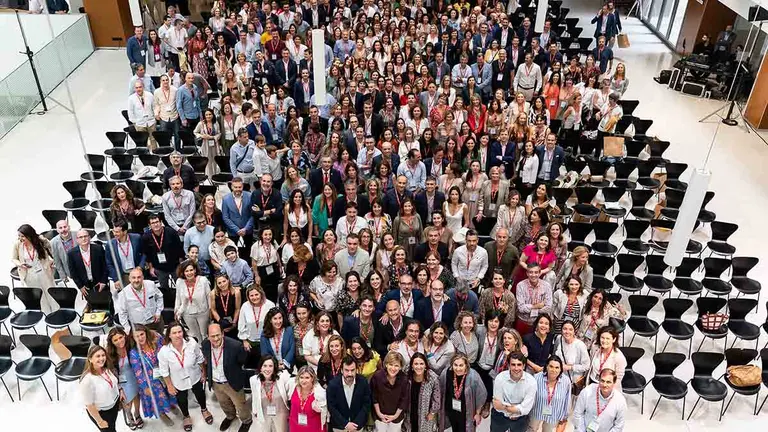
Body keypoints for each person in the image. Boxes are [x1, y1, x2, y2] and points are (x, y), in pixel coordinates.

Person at [158, 322, 212, 430]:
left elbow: (200, 358)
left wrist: (204, 373)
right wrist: (169, 385)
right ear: (169, 335)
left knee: (200, 394)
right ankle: (186, 416)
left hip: (194, 376)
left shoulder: (191, 342)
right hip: (178, 381)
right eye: (174, 333)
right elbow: (164, 371)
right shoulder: (164, 351)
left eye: (180, 331)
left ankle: (204, 409)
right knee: (182, 399)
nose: (178, 335)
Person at [202, 323, 253, 432]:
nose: (216, 339)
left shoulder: (235, 346)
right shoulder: (205, 345)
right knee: (223, 403)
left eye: (218, 335)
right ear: (207, 336)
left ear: (223, 333)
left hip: (232, 381)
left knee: (240, 404)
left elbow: (242, 361)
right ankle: (230, 416)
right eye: (212, 336)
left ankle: (246, 420)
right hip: (216, 382)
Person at [129, 324, 176, 425]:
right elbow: (138, 372)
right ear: (133, 338)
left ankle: (172, 405)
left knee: (169, 391)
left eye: (142, 334)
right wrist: (145, 387)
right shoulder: (134, 352)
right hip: (150, 380)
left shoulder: (156, 340)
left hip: (164, 373)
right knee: (158, 398)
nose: (140, 338)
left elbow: (166, 345)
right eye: (136, 336)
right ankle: (162, 414)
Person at [12, 224, 56, 313]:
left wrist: (53, 260)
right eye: (19, 236)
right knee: (39, 295)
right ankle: (47, 313)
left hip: (44, 271)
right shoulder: (18, 244)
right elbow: (14, 258)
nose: (20, 238)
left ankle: (56, 311)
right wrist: (20, 264)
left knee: (50, 292)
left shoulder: (39, 241)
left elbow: (51, 248)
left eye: (23, 236)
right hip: (29, 274)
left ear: (29, 235)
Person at [438, 353, 487, 432]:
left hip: (466, 412)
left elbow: (481, 395)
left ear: (466, 365)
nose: (458, 368)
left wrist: (478, 413)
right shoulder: (446, 373)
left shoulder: (473, 375)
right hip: (451, 410)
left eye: (461, 365)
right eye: (455, 365)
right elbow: (441, 391)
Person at [491, 351, 537, 432]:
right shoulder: (500, 378)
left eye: (519, 364)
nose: (516, 368)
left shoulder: (531, 382)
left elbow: (526, 409)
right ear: (508, 365)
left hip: (520, 420)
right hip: (500, 417)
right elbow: (497, 406)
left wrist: (504, 406)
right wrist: (518, 407)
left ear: (524, 366)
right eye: (513, 364)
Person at [106, 328, 142, 429]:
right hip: (122, 381)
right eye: (115, 340)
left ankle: (137, 414)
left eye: (121, 337)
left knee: (136, 397)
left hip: (135, 376)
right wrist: (119, 388)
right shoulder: (110, 355)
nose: (119, 341)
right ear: (112, 342)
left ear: (124, 336)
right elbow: (111, 375)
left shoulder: (131, 346)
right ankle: (129, 417)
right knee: (127, 402)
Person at [80, 345, 121, 432]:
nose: (102, 358)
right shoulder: (87, 380)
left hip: (113, 406)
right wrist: (100, 421)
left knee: (113, 428)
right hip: (103, 413)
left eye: (103, 355)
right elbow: (89, 405)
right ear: (90, 359)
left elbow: (114, 383)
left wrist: (120, 392)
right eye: (98, 356)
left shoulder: (106, 368)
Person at [67, 229, 110, 312]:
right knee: (92, 301)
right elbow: (73, 272)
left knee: (106, 301)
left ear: (89, 237)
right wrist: (80, 286)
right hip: (85, 284)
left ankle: (109, 316)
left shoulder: (98, 249)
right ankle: (92, 309)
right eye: (81, 237)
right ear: (77, 240)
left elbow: (105, 266)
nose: (83, 239)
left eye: (85, 236)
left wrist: (103, 281)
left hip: (99, 282)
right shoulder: (71, 253)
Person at [529, 355, 571, 432]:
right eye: (551, 366)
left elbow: (567, 399)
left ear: (561, 369)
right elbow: (530, 396)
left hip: (554, 413)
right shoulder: (536, 378)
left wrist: (565, 416)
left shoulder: (566, 381)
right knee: (532, 429)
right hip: (536, 411)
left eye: (557, 367)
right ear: (546, 367)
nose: (553, 370)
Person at [142, 214, 185, 290]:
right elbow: (147, 254)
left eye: (157, 222)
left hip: (174, 265)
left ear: (161, 222)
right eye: (153, 223)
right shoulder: (146, 237)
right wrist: (151, 268)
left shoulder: (171, 232)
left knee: (180, 286)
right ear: (149, 225)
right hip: (159, 268)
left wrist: (180, 265)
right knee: (164, 289)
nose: (156, 224)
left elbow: (179, 249)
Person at [370, 351, 410, 432]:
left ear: (400, 367)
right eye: (391, 364)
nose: (393, 368)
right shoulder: (377, 376)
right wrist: (379, 414)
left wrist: (395, 416)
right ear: (386, 364)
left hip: (396, 416)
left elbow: (404, 400)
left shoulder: (404, 379)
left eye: (396, 365)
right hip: (380, 415)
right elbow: (374, 396)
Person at [238, 285, 276, 369]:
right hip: (251, 343)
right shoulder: (245, 306)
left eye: (256, 294)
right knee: (253, 368)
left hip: (267, 340)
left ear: (261, 294)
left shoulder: (270, 305)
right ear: (248, 296)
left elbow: (275, 323)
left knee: (266, 367)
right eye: (251, 295)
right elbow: (241, 324)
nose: (254, 297)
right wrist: (244, 340)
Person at [116, 268, 164, 333]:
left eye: (139, 277)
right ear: (129, 279)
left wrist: (158, 312)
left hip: (155, 322)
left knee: (160, 342)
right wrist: (128, 329)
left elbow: (160, 297)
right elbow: (122, 313)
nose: (136, 280)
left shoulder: (151, 284)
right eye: (133, 278)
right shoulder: (123, 294)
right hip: (138, 328)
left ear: (143, 277)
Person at [250, 355, 291, 432]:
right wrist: (255, 411)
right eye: (265, 366)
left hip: (281, 412)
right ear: (260, 367)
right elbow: (255, 397)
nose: (267, 369)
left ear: (274, 368)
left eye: (270, 366)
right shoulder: (253, 380)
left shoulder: (283, 377)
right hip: (264, 412)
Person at [174, 259, 211, 342]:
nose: (189, 273)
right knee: (195, 334)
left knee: (204, 334)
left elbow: (209, 297)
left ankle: (206, 350)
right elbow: (178, 297)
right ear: (183, 272)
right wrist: (176, 311)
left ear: (195, 270)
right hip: (187, 313)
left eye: (191, 270)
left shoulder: (203, 280)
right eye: (186, 271)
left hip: (203, 312)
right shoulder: (179, 282)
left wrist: (211, 312)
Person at [515, 264, 554, 335]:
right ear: (527, 273)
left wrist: (530, 309)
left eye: (536, 272)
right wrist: (537, 306)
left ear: (539, 273)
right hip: (523, 322)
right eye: (531, 272)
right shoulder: (520, 285)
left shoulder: (546, 286)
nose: (533, 275)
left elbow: (548, 307)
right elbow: (520, 308)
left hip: (539, 324)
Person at [251, 227, 282, 300]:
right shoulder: (256, 245)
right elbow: (254, 262)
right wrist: (256, 276)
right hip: (262, 270)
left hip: (274, 267)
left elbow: (277, 254)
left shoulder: (274, 242)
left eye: (270, 234)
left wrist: (280, 267)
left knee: (274, 289)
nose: (268, 237)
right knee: (263, 290)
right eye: (265, 234)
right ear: (261, 235)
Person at [49, 219, 75, 284]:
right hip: (70, 272)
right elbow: (57, 261)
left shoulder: (77, 235)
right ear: (57, 230)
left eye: (65, 227)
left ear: (69, 227)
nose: (63, 230)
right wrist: (63, 277)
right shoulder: (53, 242)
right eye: (60, 228)